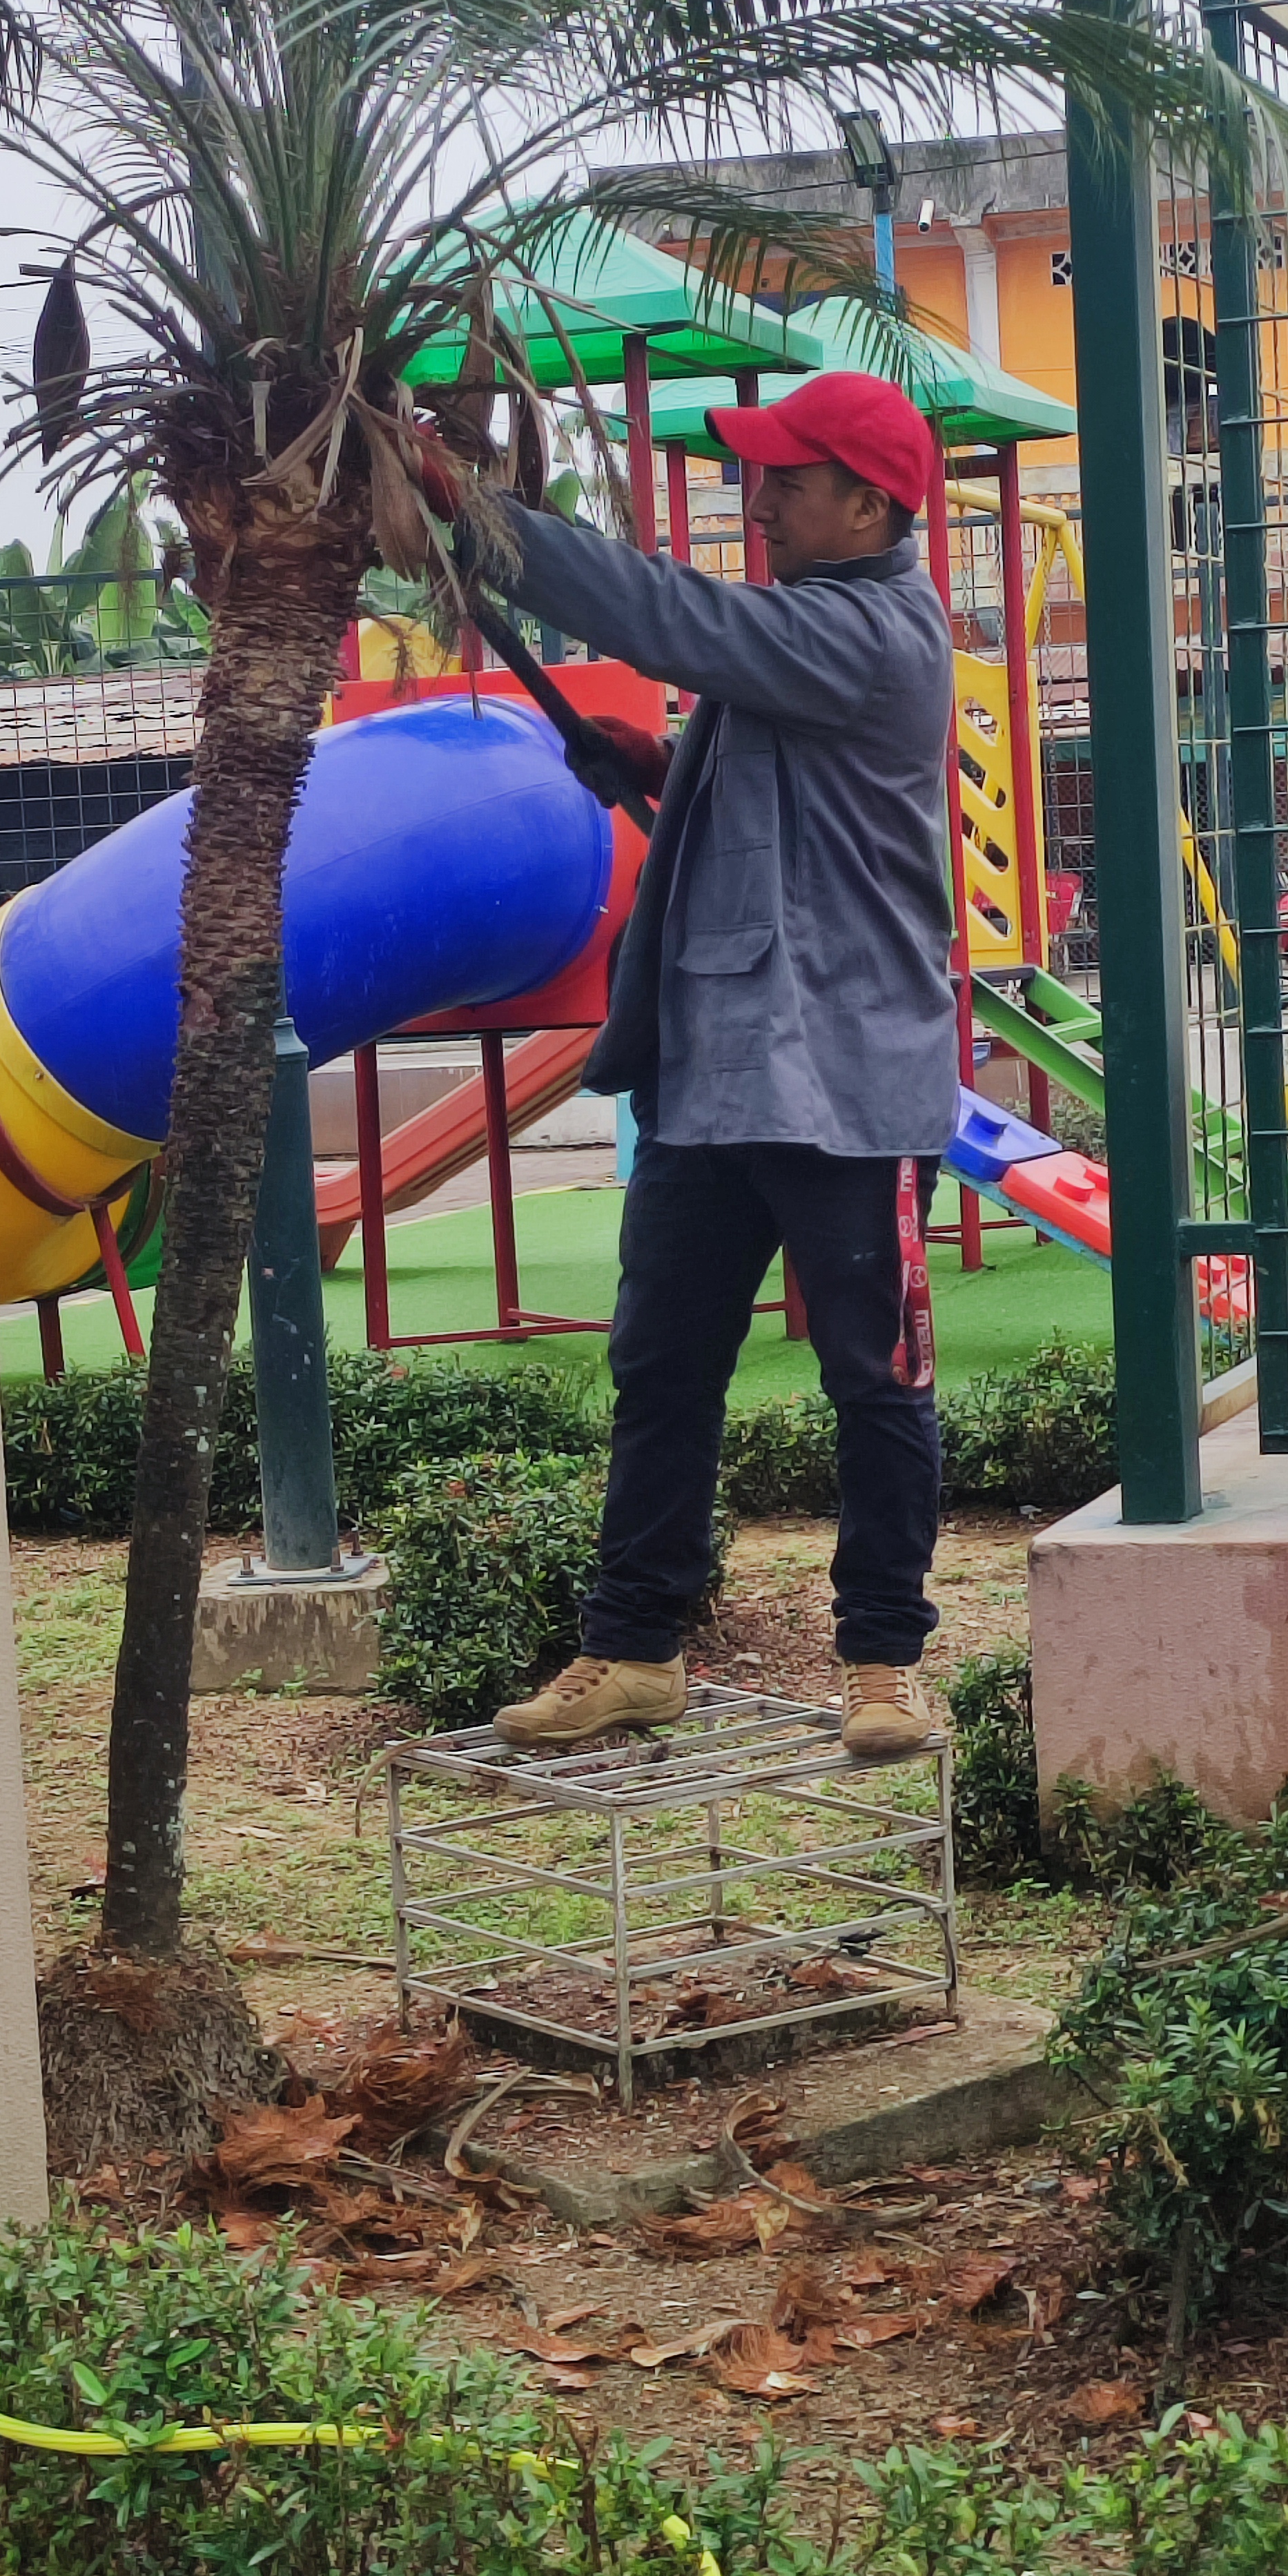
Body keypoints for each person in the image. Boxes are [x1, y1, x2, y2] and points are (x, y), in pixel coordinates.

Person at [482, 370, 960, 1761]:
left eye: (787, 482)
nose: (759, 503)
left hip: (848, 1084)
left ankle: (884, 1663)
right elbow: (764, 782)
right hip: (715, 1074)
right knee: (662, 1369)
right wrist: (659, 762)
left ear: (868, 505)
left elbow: (672, 616)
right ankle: (634, 1650)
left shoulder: (874, 631)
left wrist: (482, 523)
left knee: (878, 1381)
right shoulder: (807, 632)